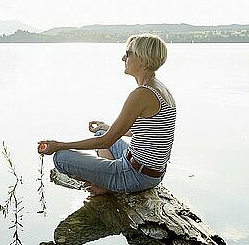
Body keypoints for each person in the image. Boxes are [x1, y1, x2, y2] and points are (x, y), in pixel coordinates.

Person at [38, 33, 176, 195]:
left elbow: (105, 142)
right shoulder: (160, 88)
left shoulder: (142, 94)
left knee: (60, 158)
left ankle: (107, 185)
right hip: (148, 172)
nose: (123, 58)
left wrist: (59, 145)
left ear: (143, 60)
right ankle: (106, 181)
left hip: (135, 176)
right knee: (102, 131)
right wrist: (107, 127)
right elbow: (145, 131)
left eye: (128, 54)